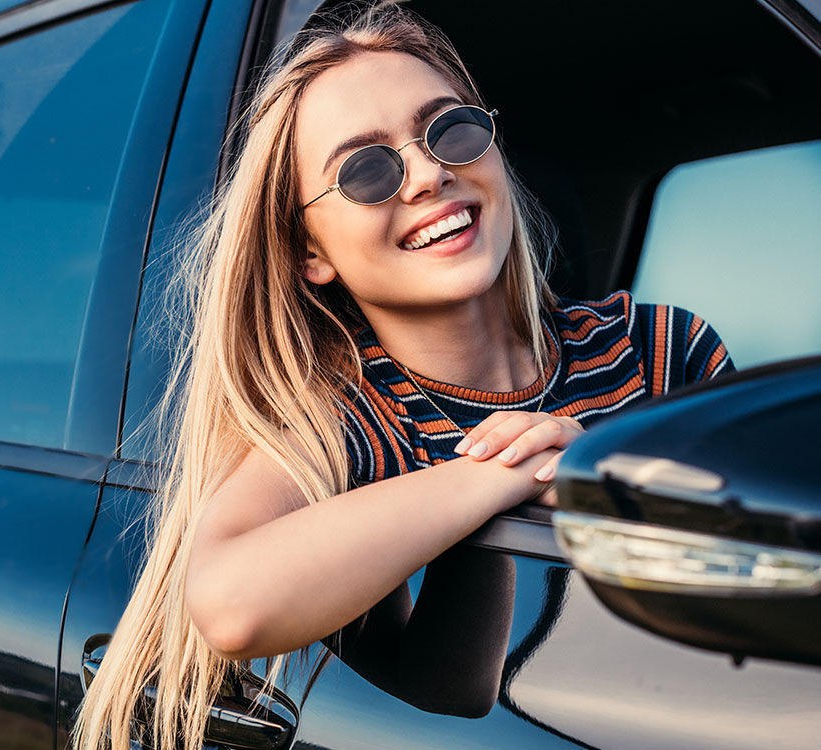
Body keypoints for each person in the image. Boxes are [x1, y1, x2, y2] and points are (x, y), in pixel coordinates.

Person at [72, 3, 733, 749]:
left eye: (448, 128)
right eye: (366, 170)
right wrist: (505, 473)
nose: (427, 172)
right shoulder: (350, 421)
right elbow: (235, 608)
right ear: (309, 253)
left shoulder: (660, 348)